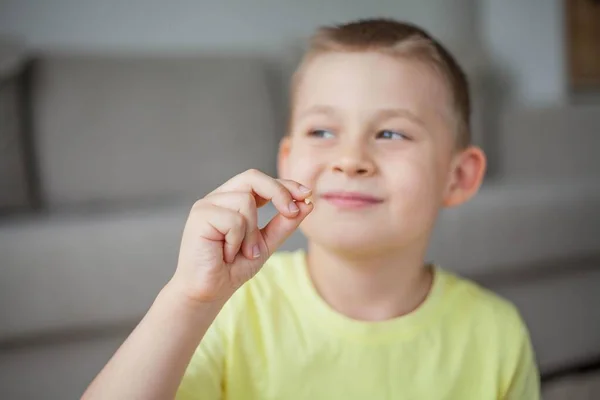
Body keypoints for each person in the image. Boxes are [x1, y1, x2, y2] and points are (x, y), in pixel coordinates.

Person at [82, 18, 540, 399]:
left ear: (457, 177)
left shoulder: (497, 332)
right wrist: (187, 300)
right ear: (286, 162)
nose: (350, 159)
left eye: (391, 134)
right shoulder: (233, 311)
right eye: (322, 132)